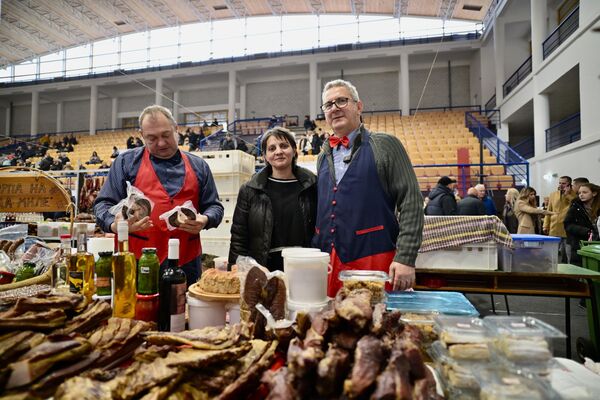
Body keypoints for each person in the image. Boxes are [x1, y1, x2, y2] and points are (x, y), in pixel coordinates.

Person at [313, 79, 423, 295]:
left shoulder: (386, 145)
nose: (334, 108)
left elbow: (411, 201)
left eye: (342, 101)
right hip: (330, 260)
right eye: (328, 105)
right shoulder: (322, 156)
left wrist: (406, 257)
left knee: (377, 324)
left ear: (359, 106)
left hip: (375, 258)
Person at [94, 105, 224, 285]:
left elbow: (214, 206)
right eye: (152, 138)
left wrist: (206, 219)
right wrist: (114, 225)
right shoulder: (125, 163)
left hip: (186, 261)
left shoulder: (199, 166)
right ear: (141, 136)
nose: (161, 143)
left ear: (176, 129)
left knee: (183, 311)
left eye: (166, 135)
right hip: (137, 262)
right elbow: (102, 205)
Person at [229, 127, 317, 271]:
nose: (278, 152)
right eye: (271, 148)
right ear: (264, 156)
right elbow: (239, 236)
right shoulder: (249, 190)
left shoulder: (313, 185)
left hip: (304, 266)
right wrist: (235, 271)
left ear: (294, 150)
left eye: (284, 146)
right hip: (263, 268)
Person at [564, 183, 600, 266]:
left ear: (594, 193)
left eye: (584, 192)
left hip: (597, 244)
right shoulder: (575, 207)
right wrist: (586, 231)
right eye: (579, 193)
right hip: (579, 243)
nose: (581, 195)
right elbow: (568, 225)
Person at [543, 176, 576, 262]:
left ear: (569, 185)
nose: (561, 185)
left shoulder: (574, 195)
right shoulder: (553, 194)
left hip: (566, 228)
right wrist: (545, 225)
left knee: (566, 254)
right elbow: (548, 211)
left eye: (564, 183)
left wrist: (567, 195)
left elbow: (576, 205)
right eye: (560, 183)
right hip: (554, 227)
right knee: (551, 253)